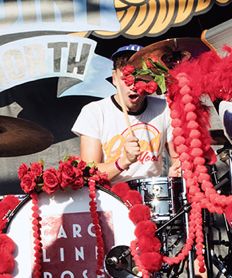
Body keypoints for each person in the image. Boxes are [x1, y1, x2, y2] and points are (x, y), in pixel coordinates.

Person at [72, 44, 179, 182]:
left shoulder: (164, 109)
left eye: (140, 79)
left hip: (153, 197)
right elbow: (88, 174)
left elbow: (178, 160)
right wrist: (124, 161)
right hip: (109, 198)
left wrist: (177, 172)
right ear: (114, 79)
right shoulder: (94, 112)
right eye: (126, 78)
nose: (133, 86)